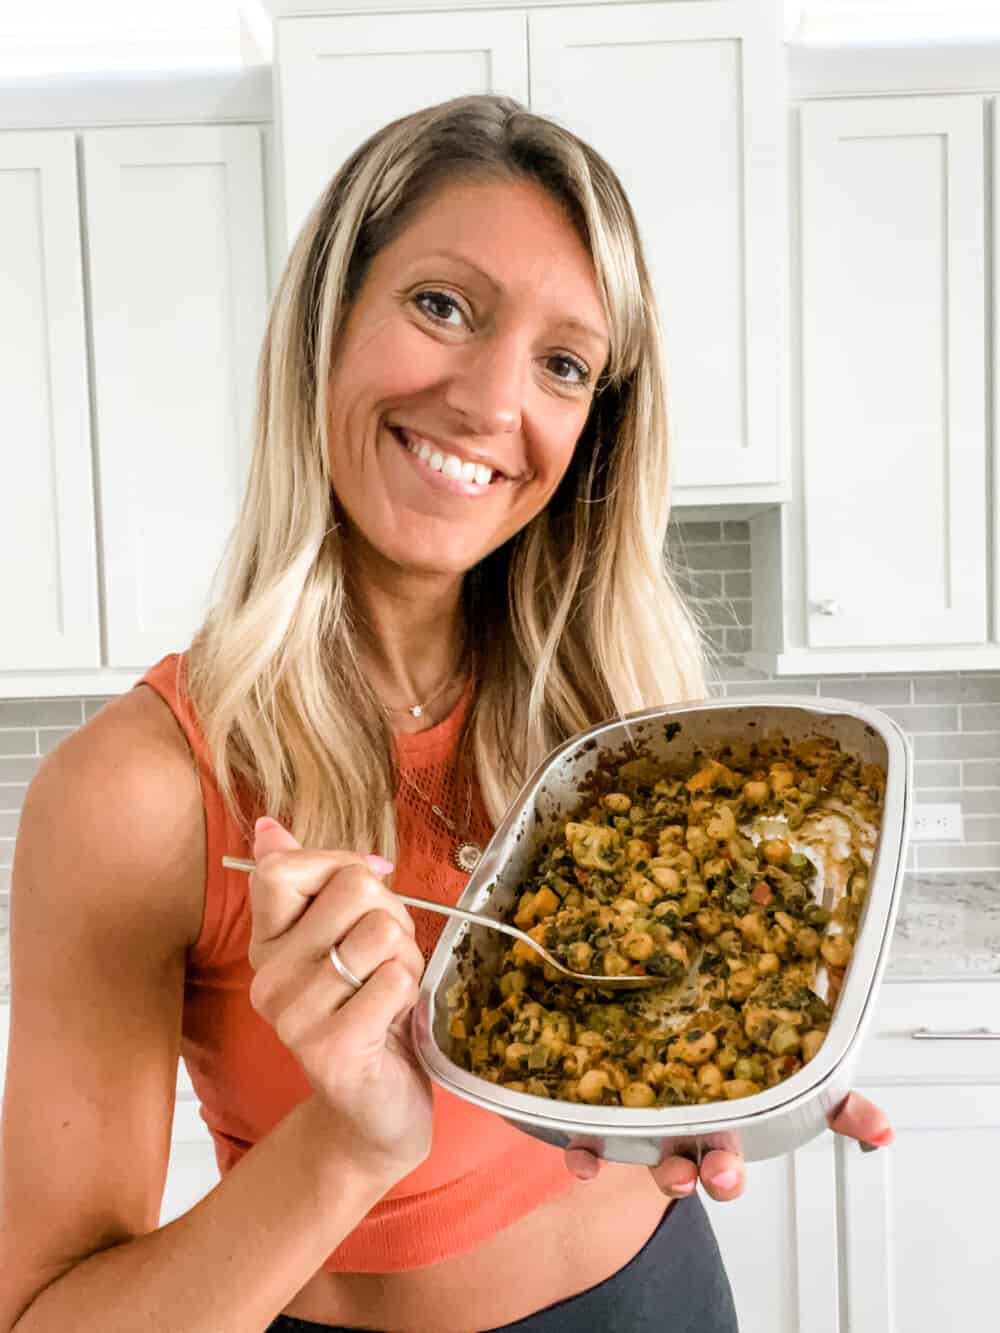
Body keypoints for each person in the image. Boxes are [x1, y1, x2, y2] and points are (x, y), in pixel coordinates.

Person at [0, 94, 892, 1333]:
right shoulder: (140, 792)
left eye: (564, 363)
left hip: (669, 1292)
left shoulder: (615, 723)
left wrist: (760, 1055)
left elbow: (657, 1029)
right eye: (441, 306)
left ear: (593, 433)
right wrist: (352, 1142)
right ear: (330, 321)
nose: (488, 402)